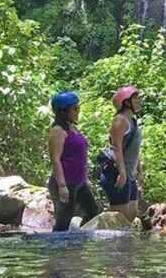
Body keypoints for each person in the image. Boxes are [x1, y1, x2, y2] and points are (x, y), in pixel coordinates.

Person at [47, 90, 99, 231]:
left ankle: (77, 244)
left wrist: (86, 178)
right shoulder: (58, 130)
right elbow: (56, 160)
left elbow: (80, 156)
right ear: (63, 111)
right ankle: (59, 251)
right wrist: (62, 186)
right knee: (63, 223)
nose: (78, 111)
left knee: (92, 213)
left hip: (79, 182)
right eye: (75, 108)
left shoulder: (72, 128)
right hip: (65, 183)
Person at [100, 85, 144, 222]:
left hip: (128, 174)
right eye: (135, 98)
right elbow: (116, 148)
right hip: (117, 173)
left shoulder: (132, 121)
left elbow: (134, 149)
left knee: (131, 217)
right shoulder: (119, 120)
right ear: (126, 102)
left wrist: (140, 171)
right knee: (121, 222)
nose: (139, 101)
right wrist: (122, 172)